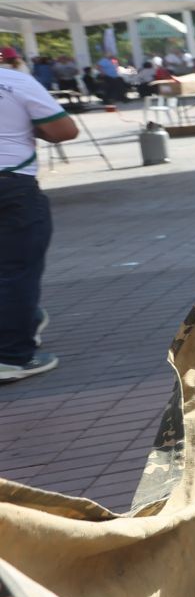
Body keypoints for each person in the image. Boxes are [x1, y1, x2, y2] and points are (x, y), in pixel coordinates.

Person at [1, 49, 79, 382]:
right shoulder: (13, 81)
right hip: (10, 186)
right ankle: (11, 356)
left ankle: (26, 319)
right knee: (16, 269)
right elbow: (64, 130)